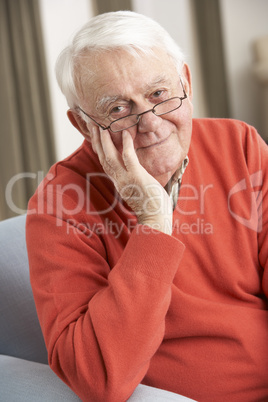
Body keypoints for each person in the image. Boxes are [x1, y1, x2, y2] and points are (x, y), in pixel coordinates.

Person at [26, 10, 268, 402]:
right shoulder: (59, 204)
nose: (151, 123)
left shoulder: (239, 145)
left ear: (186, 82)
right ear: (84, 125)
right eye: (119, 109)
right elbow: (98, 378)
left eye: (159, 94)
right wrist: (154, 221)